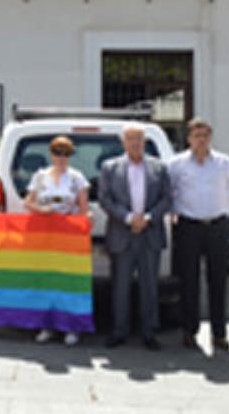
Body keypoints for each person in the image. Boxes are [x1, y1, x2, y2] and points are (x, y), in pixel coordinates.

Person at [168, 117, 229, 352]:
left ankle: (219, 334)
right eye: (197, 135)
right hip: (189, 226)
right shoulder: (177, 164)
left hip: (217, 225)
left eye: (205, 135)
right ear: (189, 138)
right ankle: (190, 330)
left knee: (218, 280)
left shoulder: (223, 162)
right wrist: (176, 214)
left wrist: (224, 214)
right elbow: (170, 192)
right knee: (189, 280)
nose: (201, 140)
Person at [98, 123, 171, 351]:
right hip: (122, 233)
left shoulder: (159, 167)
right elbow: (105, 198)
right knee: (120, 286)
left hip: (150, 233)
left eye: (138, 139)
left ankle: (149, 333)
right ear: (123, 142)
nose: (135, 143)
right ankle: (119, 331)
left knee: (150, 286)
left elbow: (167, 199)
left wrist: (148, 218)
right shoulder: (110, 167)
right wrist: (129, 218)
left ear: (145, 141)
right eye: (130, 139)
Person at [25, 135, 90, 346]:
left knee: (68, 282)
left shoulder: (76, 177)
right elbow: (28, 203)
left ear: (70, 156)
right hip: (44, 237)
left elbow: (83, 210)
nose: (61, 157)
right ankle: (47, 326)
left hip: (67, 238)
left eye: (66, 153)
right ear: (51, 154)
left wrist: (80, 222)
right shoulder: (40, 176)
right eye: (57, 153)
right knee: (46, 280)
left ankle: (70, 327)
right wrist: (42, 210)